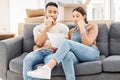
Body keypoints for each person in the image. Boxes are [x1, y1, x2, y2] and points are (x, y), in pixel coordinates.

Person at [27, 6, 100, 80]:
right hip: (78, 56)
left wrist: (82, 28)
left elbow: (87, 44)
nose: (75, 18)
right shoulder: (71, 31)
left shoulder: (92, 26)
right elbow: (68, 47)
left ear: (84, 17)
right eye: (73, 16)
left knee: (67, 42)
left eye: (77, 16)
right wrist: (58, 47)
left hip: (91, 53)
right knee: (67, 55)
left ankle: (47, 68)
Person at [23, 2, 69, 80]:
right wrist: (47, 27)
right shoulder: (38, 28)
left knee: (48, 66)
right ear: (45, 13)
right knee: (27, 60)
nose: (52, 14)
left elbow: (65, 45)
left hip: (53, 53)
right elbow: (39, 43)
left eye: (55, 12)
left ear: (57, 14)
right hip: (39, 52)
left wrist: (40, 47)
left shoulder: (63, 28)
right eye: (49, 12)